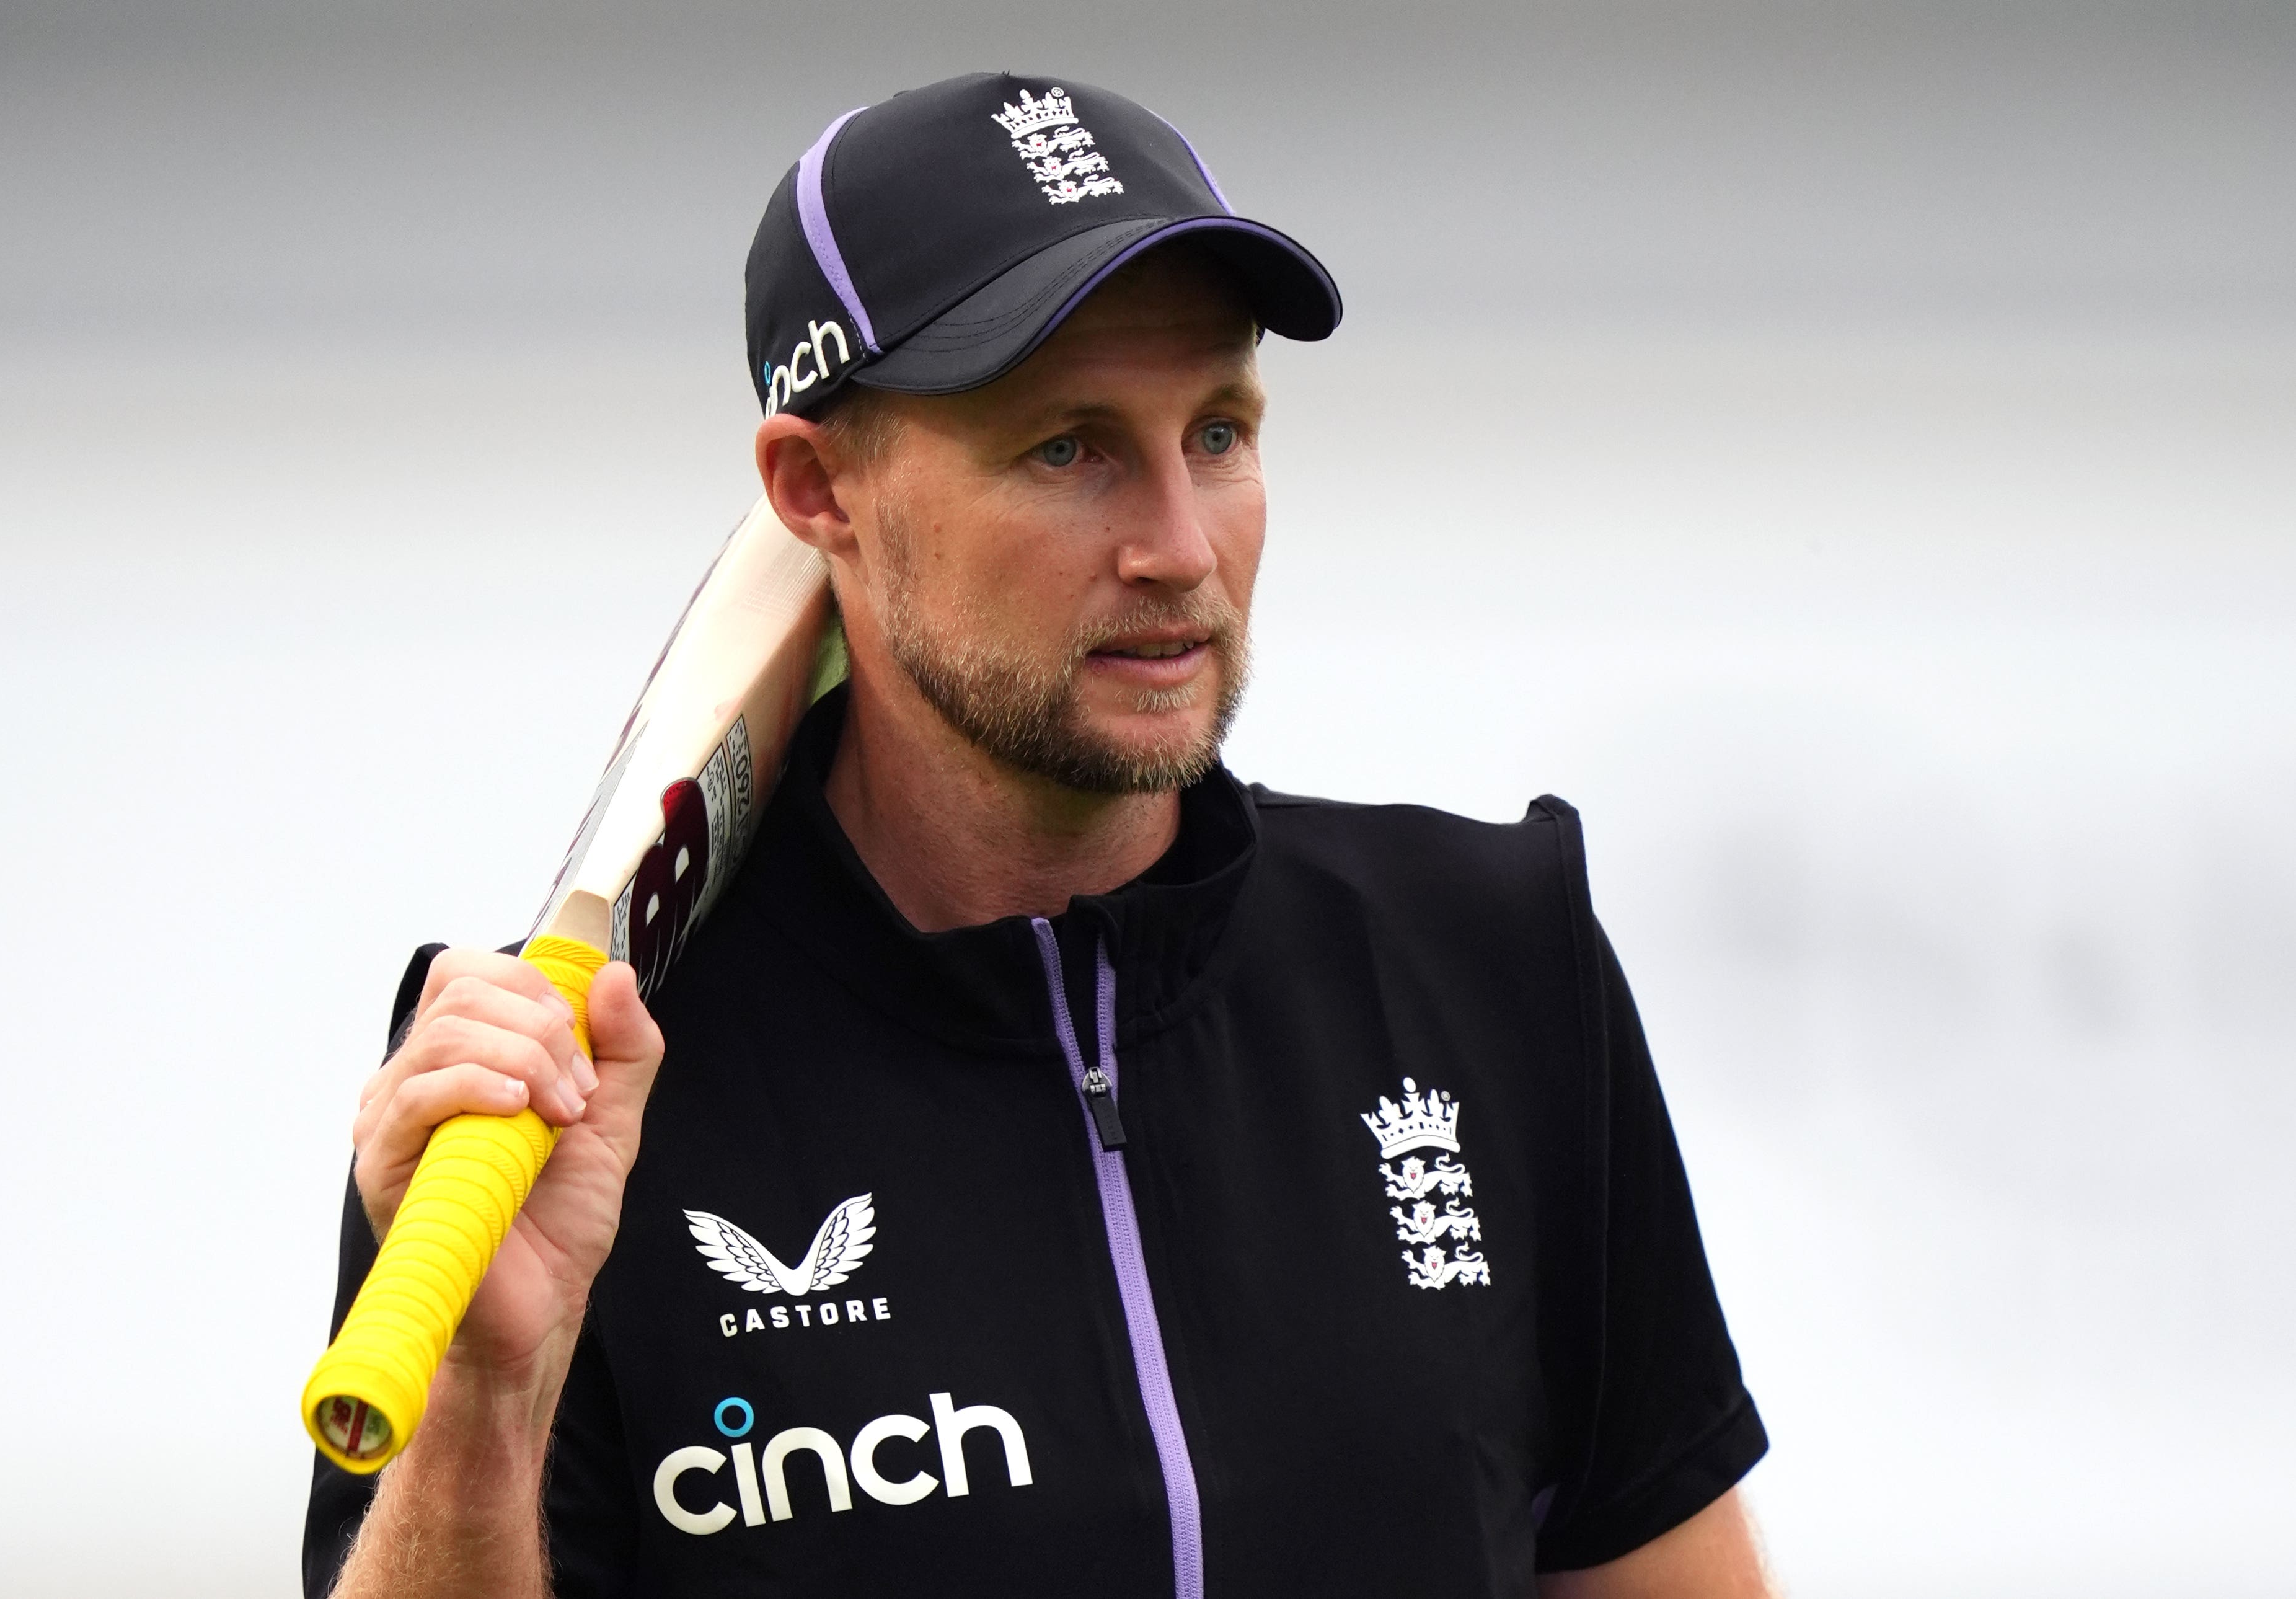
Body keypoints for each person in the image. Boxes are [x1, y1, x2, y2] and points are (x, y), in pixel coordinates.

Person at [304, 71, 1774, 1599]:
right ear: (819, 487)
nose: (1178, 547)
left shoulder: (1489, 957)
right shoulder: (554, 1086)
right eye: (1066, 449)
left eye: (1216, 431)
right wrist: (481, 1406)